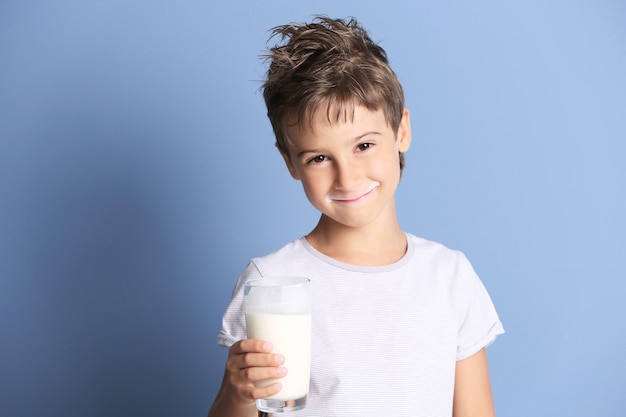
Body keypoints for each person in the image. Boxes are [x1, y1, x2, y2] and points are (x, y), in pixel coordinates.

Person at [208, 16, 504, 417]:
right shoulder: (269, 284)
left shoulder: (449, 277)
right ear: (290, 162)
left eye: (363, 145)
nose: (346, 178)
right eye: (318, 158)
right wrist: (239, 393)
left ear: (401, 131)